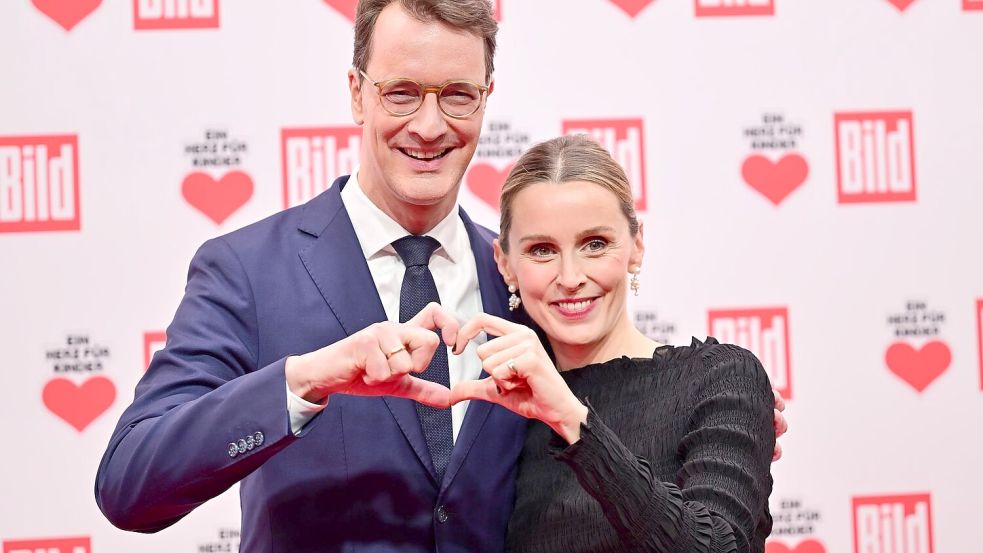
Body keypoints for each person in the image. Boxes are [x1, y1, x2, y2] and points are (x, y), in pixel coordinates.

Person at [95, 1, 785, 551]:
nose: (429, 125)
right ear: (357, 94)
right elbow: (130, 485)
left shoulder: (524, 287)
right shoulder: (248, 269)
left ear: (485, 99)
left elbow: (607, 425)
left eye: (456, 94)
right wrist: (306, 381)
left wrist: (732, 421)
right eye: (400, 92)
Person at [448, 135, 775, 553]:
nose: (570, 276)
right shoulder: (500, 410)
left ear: (636, 246)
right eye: (542, 250)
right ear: (505, 263)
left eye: (595, 244)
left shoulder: (720, 378)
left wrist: (574, 422)